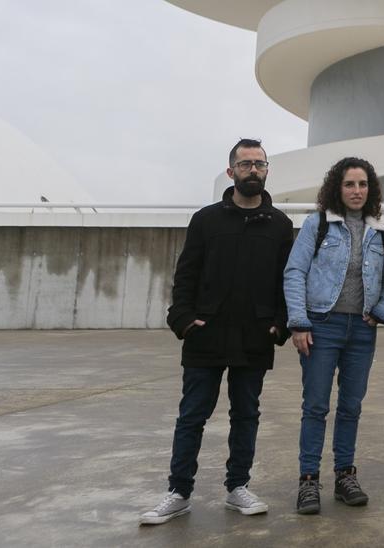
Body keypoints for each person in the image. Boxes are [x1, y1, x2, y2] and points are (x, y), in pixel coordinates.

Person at [140, 138, 293, 525]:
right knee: (192, 415)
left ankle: (237, 486)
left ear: (267, 170)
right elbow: (185, 274)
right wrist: (185, 320)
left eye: (259, 164)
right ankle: (178, 492)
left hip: (255, 335)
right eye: (246, 164)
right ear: (231, 172)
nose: (253, 170)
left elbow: (286, 281)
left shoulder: (279, 225)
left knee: (246, 414)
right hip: (206, 333)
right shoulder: (206, 219)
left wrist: (278, 324)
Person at [283, 157, 384, 514]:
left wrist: (379, 311)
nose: (357, 191)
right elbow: (294, 272)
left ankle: (345, 475)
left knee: (351, 406)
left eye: (363, 184)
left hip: (362, 330)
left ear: (371, 189)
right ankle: (308, 482)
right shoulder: (317, 225)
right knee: (316, 406)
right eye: (350, 184)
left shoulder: (381, 230)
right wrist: (299, 322)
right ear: (338, 187)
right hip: (322, 326)